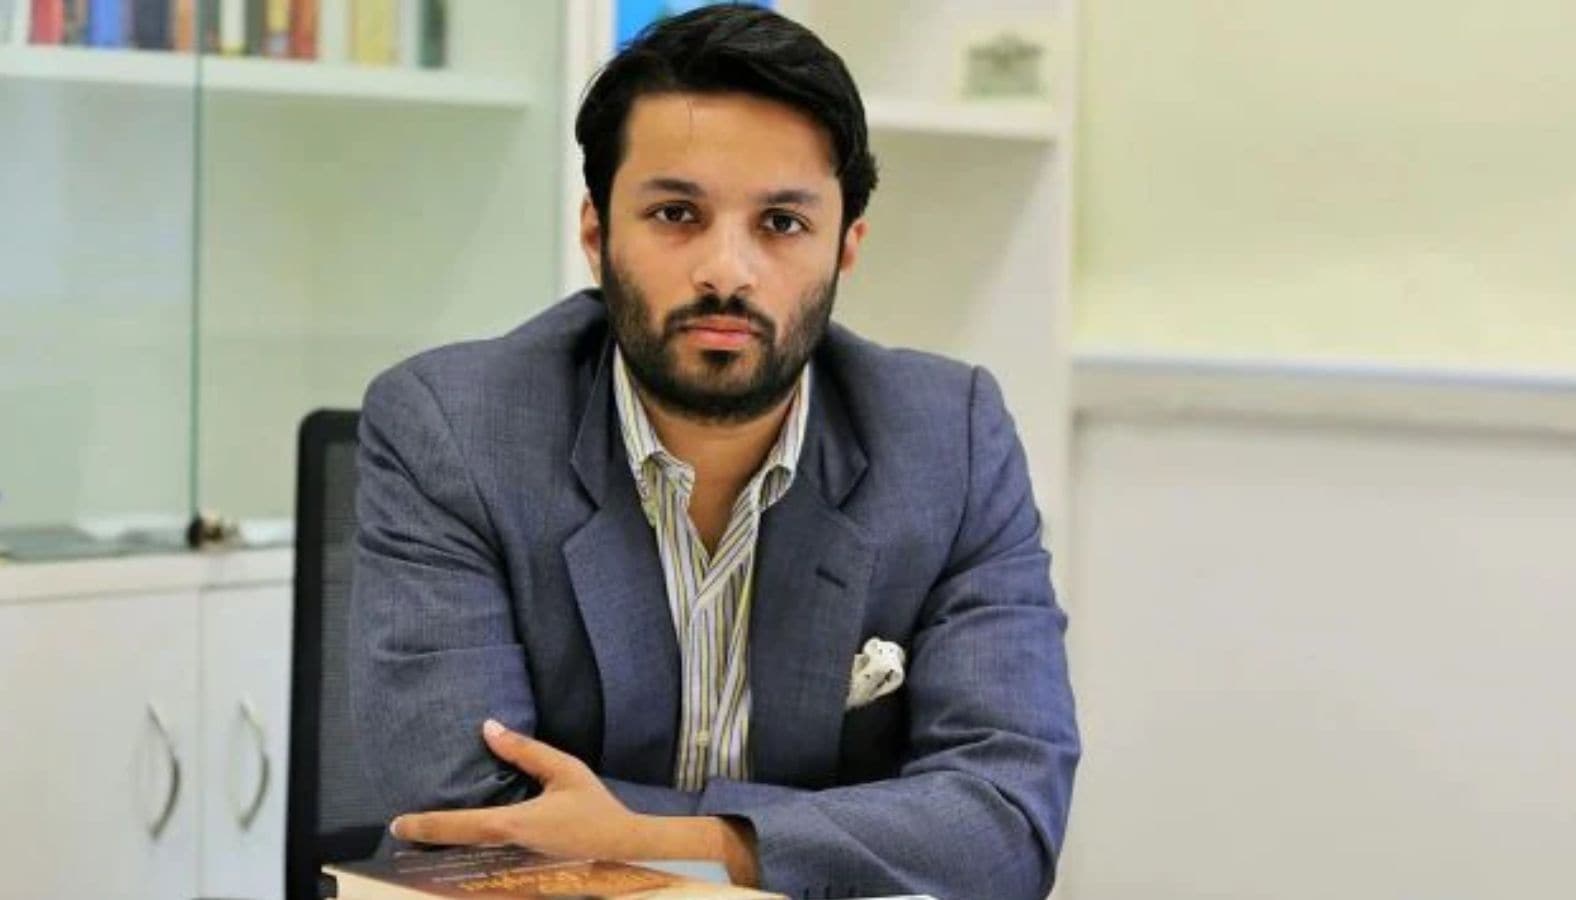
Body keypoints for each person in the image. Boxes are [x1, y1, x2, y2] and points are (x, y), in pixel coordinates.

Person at [349, 5, 1079, 898]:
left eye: (782, 223)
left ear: (846, 246)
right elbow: (466, 814)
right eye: (675, 213)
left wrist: (686, 842)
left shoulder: (950, 440)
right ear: (597, 234)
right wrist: (844, 832)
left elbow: (1006, 820)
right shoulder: (453, 429)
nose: (726, 271)